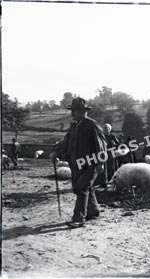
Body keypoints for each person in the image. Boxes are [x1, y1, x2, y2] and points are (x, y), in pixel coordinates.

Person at [50, 97, 106, 228]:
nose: (71, 114)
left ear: (82, 111)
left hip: (90, 164)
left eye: (73, 111)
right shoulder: (74, 127)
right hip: (76, 165)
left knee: (82, 187)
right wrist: (56, 153)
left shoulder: (91, 125)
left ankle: (78, 219)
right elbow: (65, 143)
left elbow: (101, 145)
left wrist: (101, 163)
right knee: (85, 188)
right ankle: (93, 211)